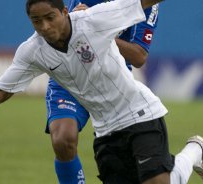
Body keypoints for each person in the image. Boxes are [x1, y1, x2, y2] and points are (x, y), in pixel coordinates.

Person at [0, 0, 203, 183]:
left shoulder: (96, 19)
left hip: (139, 113)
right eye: (36, 21)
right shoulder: (32, 51)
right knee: (63, 139)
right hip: (106, 129)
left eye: (50, 18)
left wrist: (106, 34)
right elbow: (0, 89)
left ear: (64, 12)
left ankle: (195, 150)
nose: (45, 27)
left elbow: (143, 17)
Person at [45, 0, 159, 183]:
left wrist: (97, 30)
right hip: (73, 73)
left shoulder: (146, 5)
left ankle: (193, 153)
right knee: (63, 139)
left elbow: (139, 56)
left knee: (143, 172)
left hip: (112, 82)